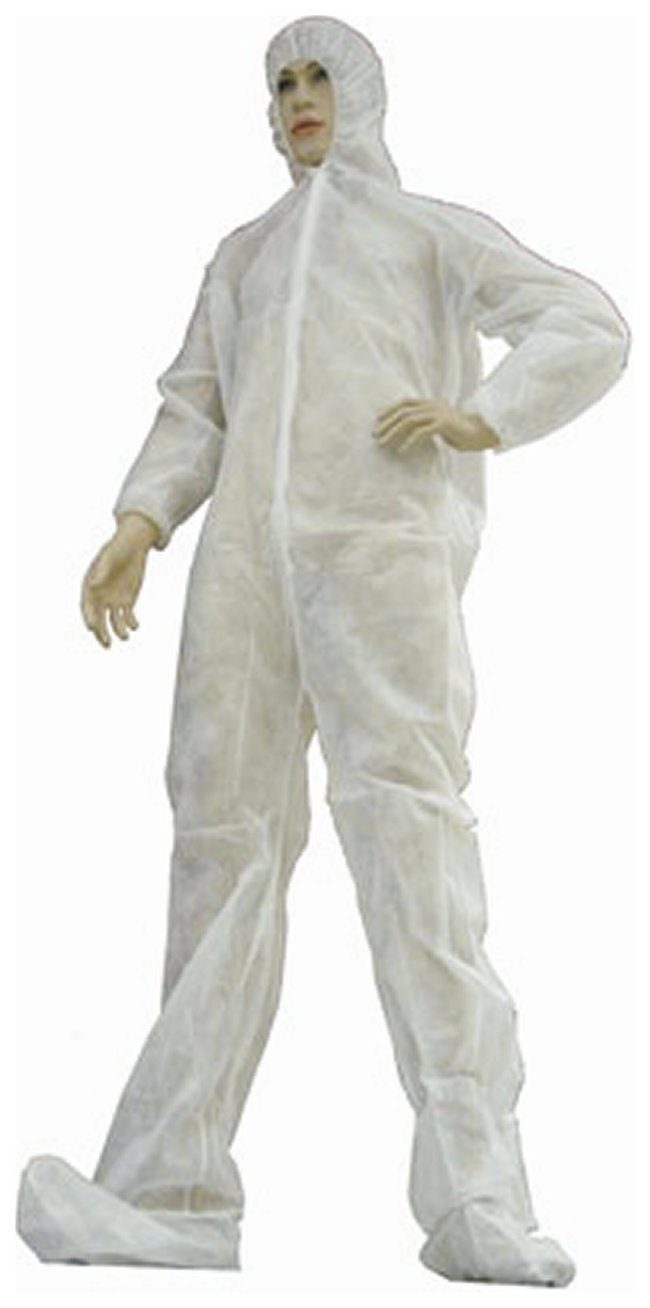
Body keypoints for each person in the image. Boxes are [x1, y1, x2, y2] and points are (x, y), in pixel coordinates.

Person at [17, 14, 630, 1285]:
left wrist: (482, 415)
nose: (297, 98)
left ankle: (478, 1195)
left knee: (412, 842)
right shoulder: (241, 256)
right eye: (279, 83)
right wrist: (139, 524)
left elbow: (584, 323)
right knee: (218, 848)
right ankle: (170, 1193)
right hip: (243, 574)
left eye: (317, 78)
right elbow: (195, 404)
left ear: (362, 94)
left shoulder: (426, 235)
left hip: (380, 555)